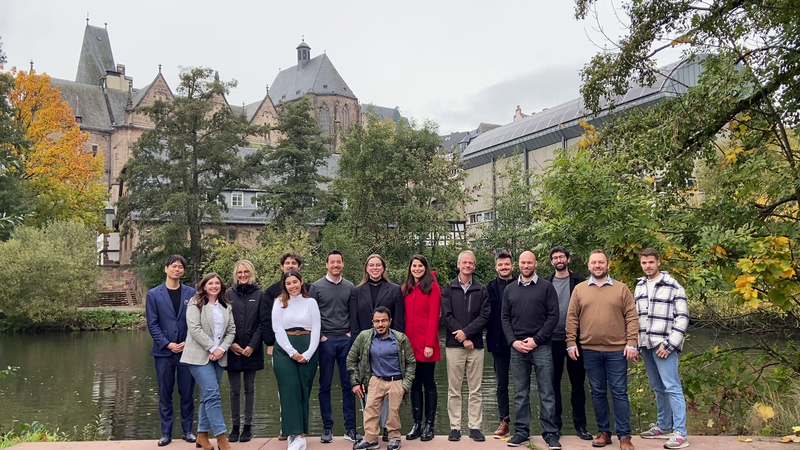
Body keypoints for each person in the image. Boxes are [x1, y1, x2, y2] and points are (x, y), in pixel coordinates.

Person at [566, 250, 639, 450]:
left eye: (601, 262)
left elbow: (632, 317)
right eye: (594, 263)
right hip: (589, 349)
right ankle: (604, 432)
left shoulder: (621, 289)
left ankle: (624, 436)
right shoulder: (580, 290)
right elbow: (572, 317)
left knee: (619, 392)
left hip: (617, 350)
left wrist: (632, 342)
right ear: (589, 266)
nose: (597, 266)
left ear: (608, 265)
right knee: (597, 392)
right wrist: (570, 342)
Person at [501, 251, 560, 449]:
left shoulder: (546, 287)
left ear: (536, 264)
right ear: (519, 264)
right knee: (520, 393)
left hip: (541, 347)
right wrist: (513, 342)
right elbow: (505, 319)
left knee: (547, 392)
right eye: (523, 262)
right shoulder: (510, 289)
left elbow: (553, 317)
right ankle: (521, 432)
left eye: (530, 262)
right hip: (517, 348)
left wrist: (536, 340)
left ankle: (550, 434)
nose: (526, 265)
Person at [635, 248, 690, 449]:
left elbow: (682, 317)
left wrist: (670, 344)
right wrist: (635, 344)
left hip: (664, 345)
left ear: (658, 262)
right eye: (644, 263)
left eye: (651, 262)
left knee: (672, 387)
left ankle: (680, 433)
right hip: (646, 345)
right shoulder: (639, 286)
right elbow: (636, 317)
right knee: (657, 387)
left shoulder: (673, 286)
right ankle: (663, 425)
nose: (647, 266)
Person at [350, 253, 405, 442]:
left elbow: (398, 322)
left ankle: (388, 430)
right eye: (371, 265)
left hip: (388, 348)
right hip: (366, 348)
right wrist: (359, 347)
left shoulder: (395, 290)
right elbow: (354, 322)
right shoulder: (357, 291)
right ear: (366, 268)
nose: (375, 268)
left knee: (389, 392)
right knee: (369, 392)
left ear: (383, 268)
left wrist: (395, 346)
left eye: (378, 265)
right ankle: (370, 432)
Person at [347, 306, 417, 450]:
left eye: (384, 320)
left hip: (396, 380)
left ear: (390, 321)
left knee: (393, 413)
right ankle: (371, 439)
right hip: (375, 379)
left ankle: (394, 438)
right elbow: (351, 359)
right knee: (370, 410)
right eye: (377, 321)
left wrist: (406, 384)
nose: (380, 324)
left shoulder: (400, 338)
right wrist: (355, 382)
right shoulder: (364, 337)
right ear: (372, 322)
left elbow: (411, 363)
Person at [145, 255, 197, 447]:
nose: (178, 270)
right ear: (166, 269)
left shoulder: (191, 293)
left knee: (187, 392)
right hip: (163, 353)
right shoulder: (154, 294)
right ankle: (166, 433)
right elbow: (152, 324)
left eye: (181, 267)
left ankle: (187, 431)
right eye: (174, 266)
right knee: (165, 393)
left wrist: (186, 342)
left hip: (187, 350)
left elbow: (196, 322)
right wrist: (167, 344)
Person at [181, 273, 237, 450]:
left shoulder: (225, 305)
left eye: (217, 283)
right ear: (204, 286)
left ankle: (202, 435)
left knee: (208, 396)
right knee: (213, 394)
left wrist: (221, 349)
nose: (214, 286)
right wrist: (213, 348)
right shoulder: (195, 303)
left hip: (219, 357)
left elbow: (231, 331)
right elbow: (195, 329)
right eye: (210, 283)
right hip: (198, 356)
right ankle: (221, 437)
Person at [441, 250, 490, 442]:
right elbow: (446, 316)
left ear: (474, 266)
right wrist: (462, 337)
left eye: (471, 263)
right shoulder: (448, 288)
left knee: (475, 389)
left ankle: (474, 426)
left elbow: (485, 316)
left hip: (476, 346)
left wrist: (468, 334)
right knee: (454, 389)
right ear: (458, 265)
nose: (467, 266)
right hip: (454, 346)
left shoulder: (481, 289)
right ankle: (455, 427)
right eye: (464, 263)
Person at [313, 250, 361, 444]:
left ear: (343, 264)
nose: (335, 265)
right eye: (332, 262)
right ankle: (327, 427)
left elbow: (354, 313)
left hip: (345, 340)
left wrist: (351, 334)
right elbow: (313, 315)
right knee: (324, 385)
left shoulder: (350, 287)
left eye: (338, 262)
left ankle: (350, 428)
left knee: (348, 384)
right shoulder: (316, 287)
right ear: (326, 264)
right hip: (325, 341)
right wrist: (321, 337)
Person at [544, 246, 591, 441]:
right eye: (555, 258)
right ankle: (555, 426)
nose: (558, 260)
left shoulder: (580, 282)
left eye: (561, 257)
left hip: (576, 341)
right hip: (551, 340)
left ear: (568, 259)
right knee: (553, 385)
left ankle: (581, 425)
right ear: (551, 262)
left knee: (577, 384)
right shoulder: (545, 283)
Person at [272, 270, 321, 450]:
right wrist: (292, 352)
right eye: (288, 283)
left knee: (303, 390)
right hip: (285, 349)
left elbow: (316, 329)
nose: (292, 286)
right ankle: (293, 435)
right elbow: (277, 329)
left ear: (301, 282)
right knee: (289, 388)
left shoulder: (311, 303)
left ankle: (300, 435)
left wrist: (307, 353)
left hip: (308, 347)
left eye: (295, 282)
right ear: (284, 286)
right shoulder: (279, 303)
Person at [224, 260, 270, 443]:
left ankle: (248, 427)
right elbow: (224, 322)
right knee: (234, 390)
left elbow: (263, 322)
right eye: (240, 272)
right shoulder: (227, 295)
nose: (243, 275)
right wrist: (231, 343)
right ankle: (235, 427)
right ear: (236, 274)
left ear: (251, 273)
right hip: (233, 348)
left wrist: (253, 345)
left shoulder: (260, 294)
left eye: (246, 272)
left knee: (249, 389)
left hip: (252, 349)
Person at [401, 255, 441, 441]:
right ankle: (416, 424)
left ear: (425, 268)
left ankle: (429, 426)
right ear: (410, 268)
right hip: (409, 345)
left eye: (420, 266)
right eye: (414, 266)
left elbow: (434, 317)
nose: (417, 269)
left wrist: (429, 344)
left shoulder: (432, 288)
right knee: (414, 383)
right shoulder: (405, 289)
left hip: (426, 345)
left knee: (428, 382)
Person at [486, 251, 514, 438]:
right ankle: (504, 420)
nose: (504, 268)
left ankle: (523, 423)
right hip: (498, 343)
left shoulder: (522, 284)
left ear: (513, 266)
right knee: (501, 384)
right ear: (496, 267)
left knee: (522, 384)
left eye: (507, 265)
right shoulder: (489, 288)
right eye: (500, 265)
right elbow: (483, 315)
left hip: (520, 342)